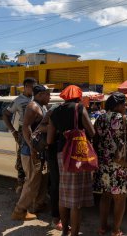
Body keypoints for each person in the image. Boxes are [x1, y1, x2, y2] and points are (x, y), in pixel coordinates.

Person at [47, 85, 95, 236]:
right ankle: (73, 233)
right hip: (77, 155)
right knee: (75, 200)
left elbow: (49, 139)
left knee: (64, 194)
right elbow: (92, 132)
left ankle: (65, 230)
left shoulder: (55, 111)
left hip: (61, 154)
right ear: (78, 96)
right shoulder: (79, 108)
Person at [93, 92, 127, 236]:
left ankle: (102, 228)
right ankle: (116, 230)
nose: (126, 107)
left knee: (105, 197)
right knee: (119, 199)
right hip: (120, 165)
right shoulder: (124, 119)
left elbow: (95, 141)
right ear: (118, 105)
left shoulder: (100, 118)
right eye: (124, 104)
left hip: (104, 164)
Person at [11, 85, 51, 221]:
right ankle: (19, 210)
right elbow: (25, 127)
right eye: (47, 94)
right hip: (30, 152)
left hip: (37, 150)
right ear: (39, 94)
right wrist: (32, 148)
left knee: (40, 180)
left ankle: (36, 205)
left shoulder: (42, 106)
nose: (50, 96)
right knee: (32, 182)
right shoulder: (32, 107)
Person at [4, 78, 37, 194]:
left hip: (37, 129)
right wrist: (13, 131)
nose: (33, 89)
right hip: (23, 130)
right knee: (22, 156)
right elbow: (5, 115)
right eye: (32, 87)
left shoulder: (36, 98)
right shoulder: (18, 100)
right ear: (26, 87)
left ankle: (34, 182)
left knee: (35, 156)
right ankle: (21, 184)